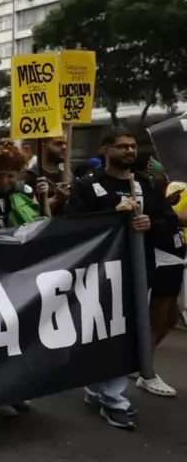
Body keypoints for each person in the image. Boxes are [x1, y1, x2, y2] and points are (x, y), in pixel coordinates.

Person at [66, 127, 183, 429]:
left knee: (125, 332)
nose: (130, 151)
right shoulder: (87, 185)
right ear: (105, 150)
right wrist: (111, 214)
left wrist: (149, 223)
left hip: (138, 270)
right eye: (122, 146)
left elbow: (168, 220)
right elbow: (73, 225)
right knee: (99, 332)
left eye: (132, 146)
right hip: (99, 271)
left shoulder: (145, 183)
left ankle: (114, 398)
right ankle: (98, 388)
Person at [24, 136, 69, 215]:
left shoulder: (68, 176)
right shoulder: (30, 176)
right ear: (43, 146)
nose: (64, 147)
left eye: (65, 144)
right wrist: (56, 198)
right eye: (58, 143)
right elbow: (30, 211)